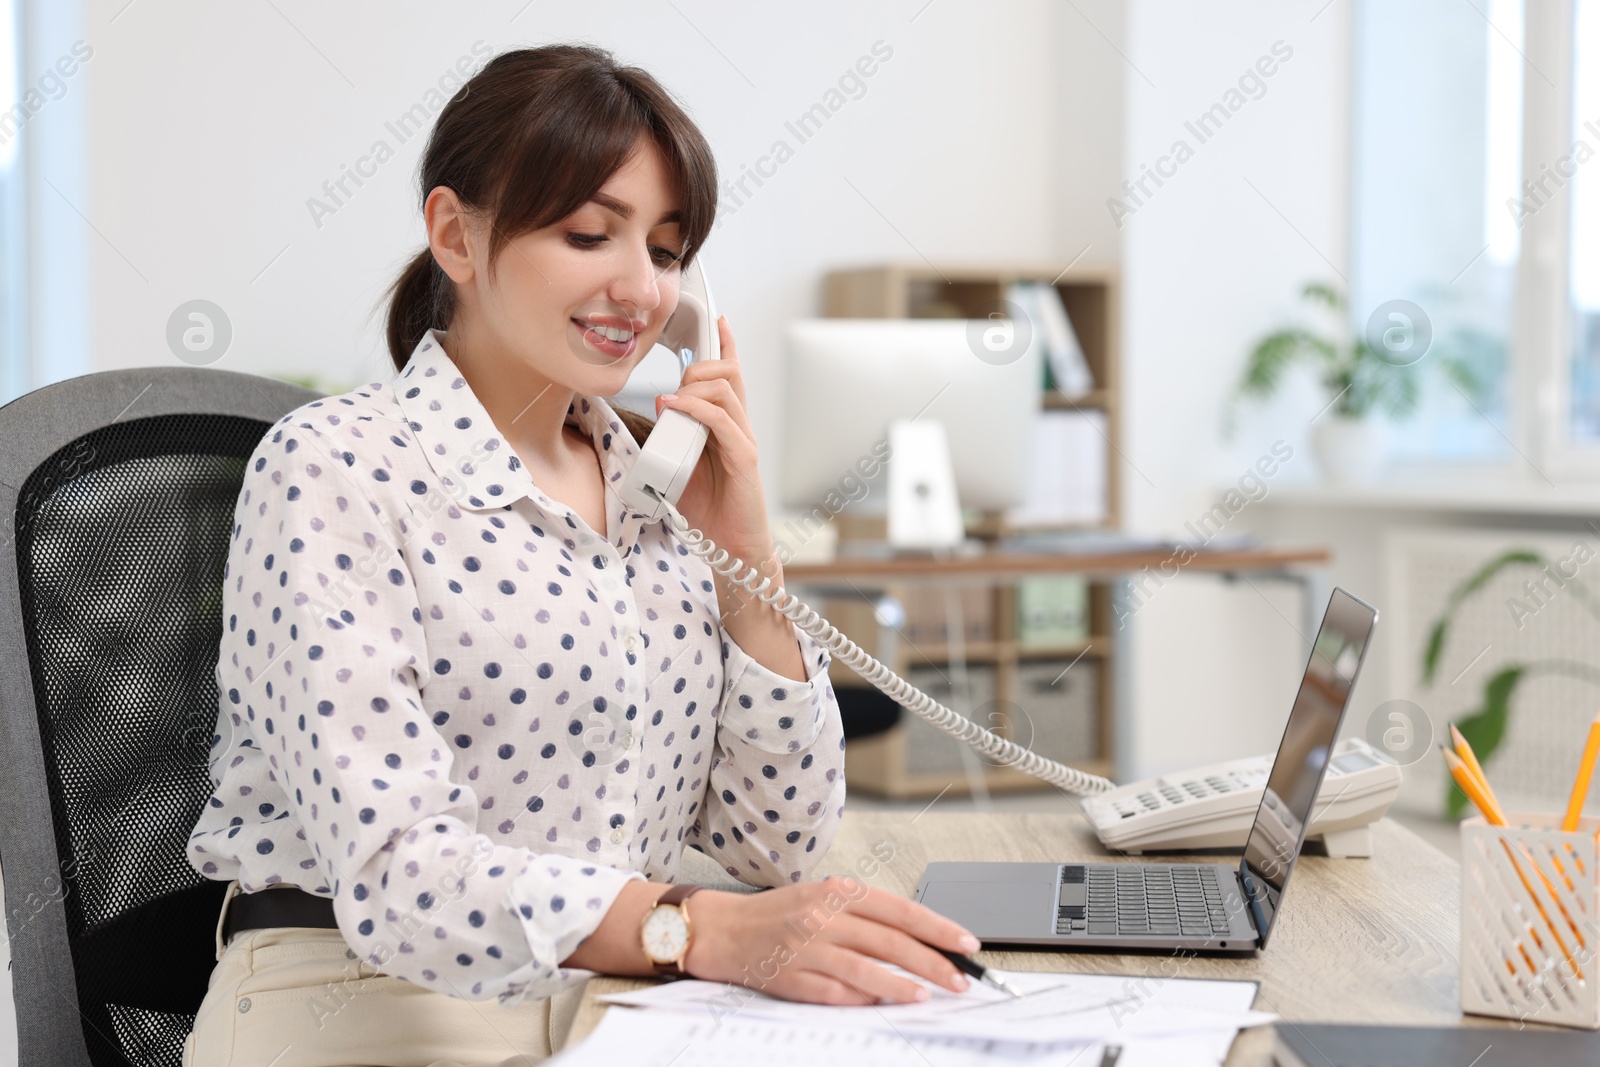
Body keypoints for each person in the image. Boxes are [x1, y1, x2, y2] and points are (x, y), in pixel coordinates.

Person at [182, 43, 980, 1067]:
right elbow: (396, 866)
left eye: (666, 247)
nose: (639, 289)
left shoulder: (659, 494)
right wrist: (694, 928)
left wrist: (746, 562)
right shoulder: (335, 469)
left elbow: (775, 845)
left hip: (617, 1001)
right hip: (363, 995)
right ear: (455, 237)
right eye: (589, 233)